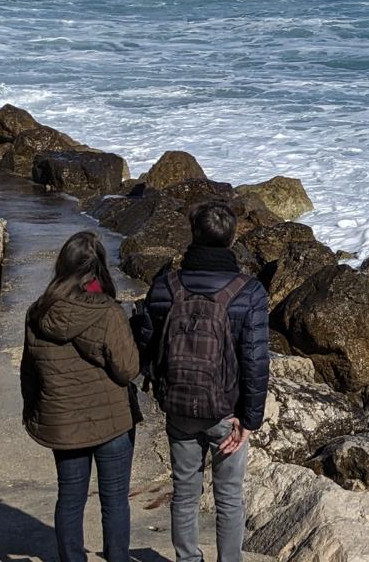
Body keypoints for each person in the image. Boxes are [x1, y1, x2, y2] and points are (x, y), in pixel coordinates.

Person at [136, 202, 271, 562]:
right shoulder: (249, 291)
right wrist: (250, 419)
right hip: (227, 412)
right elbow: (256, 359)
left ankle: (188, 559)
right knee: (229, 496)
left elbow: (148, 345)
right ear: (231, 239)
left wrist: (161, 389)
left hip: (179, 405)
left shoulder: (166, 285)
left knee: (185, 491)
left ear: (194, 235)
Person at [20, 231, 139, 562]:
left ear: (63, 265)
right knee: (115, 500)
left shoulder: (37, 312)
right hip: (111, 422)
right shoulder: (108, 311)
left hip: (63, 422)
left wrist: (35, 411)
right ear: (99, 267)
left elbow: (29, 371)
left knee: (70, 498)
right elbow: (128, 370)